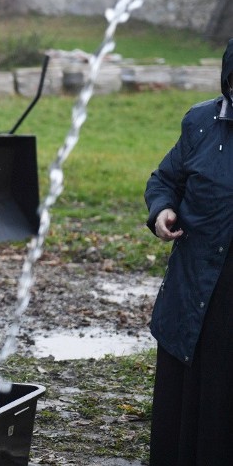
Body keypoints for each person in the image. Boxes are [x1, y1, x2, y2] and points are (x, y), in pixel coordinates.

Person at [144, 37, 233, 464]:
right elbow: (165, 179)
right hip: (194, 280)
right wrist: (162, 211)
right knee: (187, 395)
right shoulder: (201, 122)